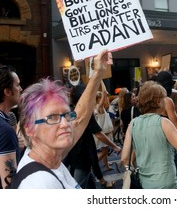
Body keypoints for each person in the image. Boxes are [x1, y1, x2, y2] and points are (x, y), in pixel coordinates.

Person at [15, 49, 111, 188]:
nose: (65, 123)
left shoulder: (48, 154)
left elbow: (79, 118)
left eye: (66, 115)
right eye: (52, 117)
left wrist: (98, 74)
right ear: (30, 129)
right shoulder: (40, 185)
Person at [121, 81, 177, 189]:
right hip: (165, 183)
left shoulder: (133, 124)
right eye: (164, 98)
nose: (166, 101)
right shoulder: (163, 122)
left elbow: (125, 159)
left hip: (145, 184)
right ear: (157, 101)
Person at [0, 65, 23, 188]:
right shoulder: (3, 129)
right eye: (17, 85)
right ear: (7, 91)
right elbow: (9, 184)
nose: (21, 89)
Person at [94, 90, 114, 171]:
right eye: (101, 98)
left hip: (104, 132)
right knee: (104, 151)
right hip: (104, 133)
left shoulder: (97, 107)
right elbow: (102, 103)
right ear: (98, 99)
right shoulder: (99, 107)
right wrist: (104, 95)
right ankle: (93, 165)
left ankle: (106, 165)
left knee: (104, 150)